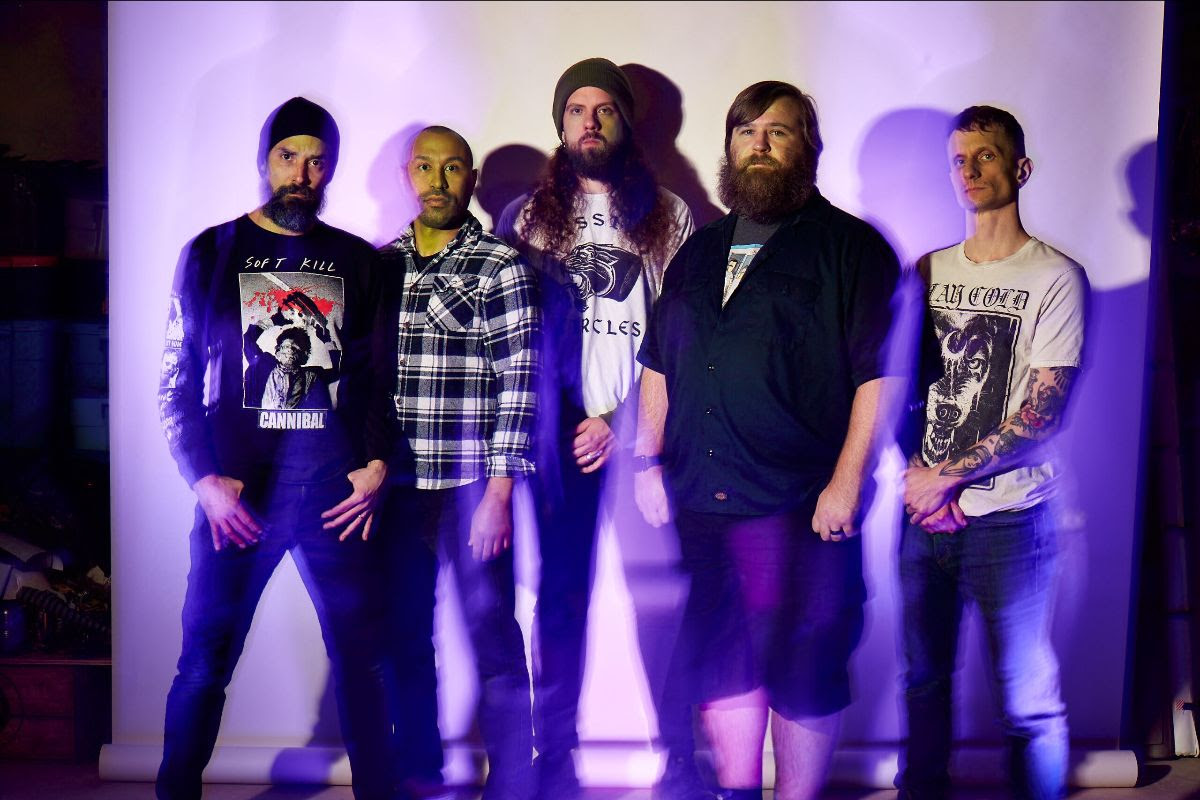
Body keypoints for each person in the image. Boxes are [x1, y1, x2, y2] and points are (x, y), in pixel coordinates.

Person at [634, 81, 902, 800]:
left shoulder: (852, 249)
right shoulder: (698, 252)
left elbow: (879, 373)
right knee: (724, 661)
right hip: (706, 502)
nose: (759, 143)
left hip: (801, 503)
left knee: (807, 660)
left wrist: (848, 480)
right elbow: (659, 359)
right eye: (746, 130)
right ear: (727, 148)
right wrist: (647, 458)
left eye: (778, 131)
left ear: (807, 148)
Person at [156, 97, 394, 800]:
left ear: (332, 169)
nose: (303, 172)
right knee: (203, 663)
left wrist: (376, 464)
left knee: (362, 660)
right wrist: (203, 480)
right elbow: (174, 382)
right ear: (265, 161)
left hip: (333, 498)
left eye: (317, 160)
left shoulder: (356, 261)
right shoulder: (212, 251)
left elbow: (380, 376)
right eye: (289, 156)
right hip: (239, 496)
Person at [496, 57, 698, 800]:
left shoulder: (668, 213)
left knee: (672, 593)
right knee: (559, 595)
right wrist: (574, 419)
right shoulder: (526, 217)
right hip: (561, 436)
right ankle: (557, 759)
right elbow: (518, 339)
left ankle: (683, 755)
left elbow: (680, 331)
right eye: (577, 108)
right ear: (560, 124)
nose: (589, 120)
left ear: (625, 123)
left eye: (604, 109)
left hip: (646, 433)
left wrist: (621, 421)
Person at [898, 105, 1086, 800]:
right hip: (925, 520)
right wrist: (919, 485)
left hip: (1011, 519)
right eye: (959, 159)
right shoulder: (928, 271)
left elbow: (1043, 413)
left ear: (1021, 168)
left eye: (985, 155)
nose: (969, 170)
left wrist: (942, 480)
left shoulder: (1055, 277)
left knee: (1027, 703)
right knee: (921, 686)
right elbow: (901, 392)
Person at [378, 125, 540, 800]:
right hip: (397, 486)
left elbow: (520, 379)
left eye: (452, 169)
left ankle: (513, 781)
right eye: (425, 167)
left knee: (491, 632)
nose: (437, 182)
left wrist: (499, 493)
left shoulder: (499, 264)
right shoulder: (379, 266)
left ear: (471, 180)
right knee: (405, 636)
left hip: (472, 483)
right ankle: (419, 772)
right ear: (407, 176)